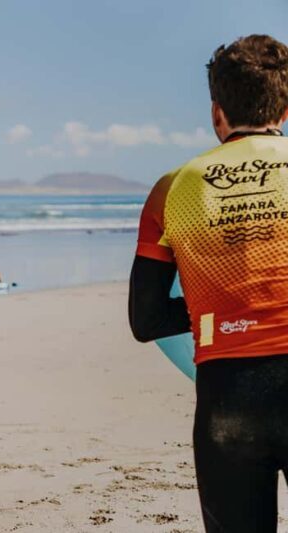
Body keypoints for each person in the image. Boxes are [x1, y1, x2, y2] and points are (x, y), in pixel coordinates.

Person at [129, 35, 288, 532]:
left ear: (217, 112)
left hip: (228, 401)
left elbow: (146, 319)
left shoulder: (171, 188)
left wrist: (217, 305)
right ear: (284, 108)